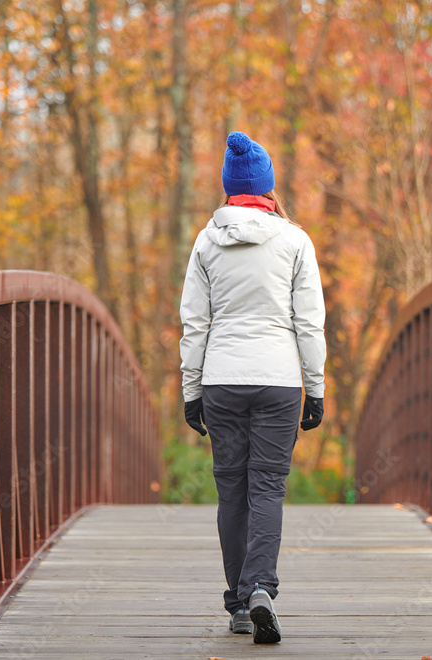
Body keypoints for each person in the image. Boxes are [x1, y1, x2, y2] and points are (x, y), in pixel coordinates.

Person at [179, 131, 327, 644]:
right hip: (279, 383)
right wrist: (316, 387)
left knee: (232, 491)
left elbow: (194, 323)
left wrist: (191, 390)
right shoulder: (295, 240)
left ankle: (239, 605)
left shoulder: (205, 240)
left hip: (222, 379)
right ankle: (261, 585)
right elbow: (308, 324)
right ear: (267, 188)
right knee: (267, 487)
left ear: (228, 189)